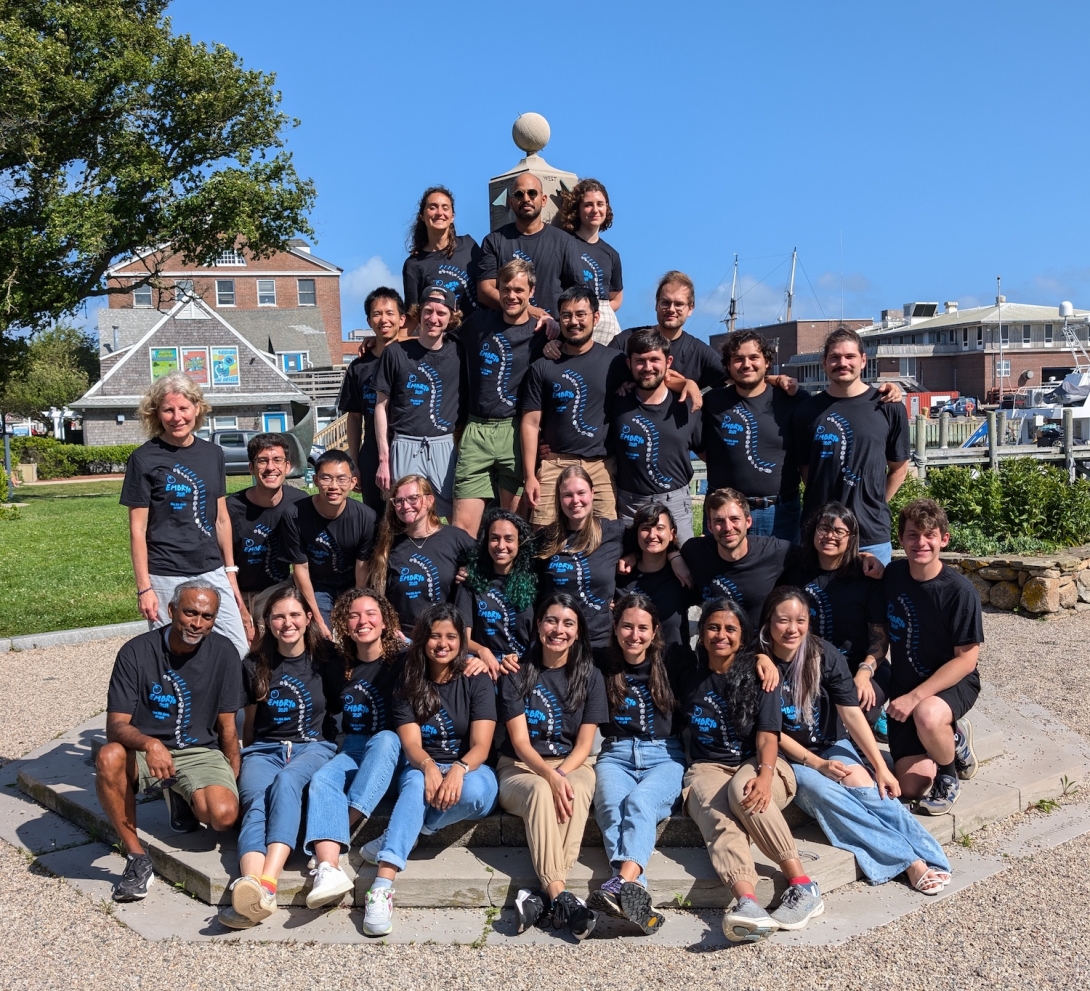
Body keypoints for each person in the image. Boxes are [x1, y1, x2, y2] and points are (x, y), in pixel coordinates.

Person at [756, 587, 952, 895]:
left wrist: (879, 767)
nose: (792, 629)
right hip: (789, 756)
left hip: (830, 743)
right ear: (768, 622)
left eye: (800, 620)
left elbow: (851, 714)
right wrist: (817, 764)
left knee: (866, 786)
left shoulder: (823, 654)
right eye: (783, 621)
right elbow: (770, 731)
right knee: (825, 792)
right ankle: (910, 861)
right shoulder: (760, 663)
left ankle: (932, 855)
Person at [681, 598, 822, 943]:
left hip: (759, 761)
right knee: (719, 817)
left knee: (744, 792)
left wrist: (764, 774)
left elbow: (768, 736)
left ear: (742, 637)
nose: (721, 635)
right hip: (706, 767)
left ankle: (803, 886)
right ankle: (748, 903)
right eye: (713, 627)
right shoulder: (687, 670)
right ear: (701, 632)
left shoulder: (762, 674)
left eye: (730, 629)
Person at [96, 580, 242, 902]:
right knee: (108, 756)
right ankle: (137, 858)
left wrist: (235, 783)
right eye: (190, 612)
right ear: (172, 610)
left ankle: (181, 797)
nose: (197, 623)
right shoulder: (136, 652)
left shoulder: (224, 652)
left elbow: (228, 728)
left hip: (199, 749)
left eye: (207, 616)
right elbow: (115, 727)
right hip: (146, 750)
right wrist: (150, 744)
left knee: (223, 816)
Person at [357, 604, 498, 937]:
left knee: (479, 793)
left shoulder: (474, 679)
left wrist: (459, 769)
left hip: (470, 767)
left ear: (461, 642)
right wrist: (429, 766)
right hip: (423, 762)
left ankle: (402, 834)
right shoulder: (409, 680)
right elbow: (411, 744)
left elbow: (480, 745)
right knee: (416, 785)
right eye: (435, 636)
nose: (443, 644)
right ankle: (382, 886)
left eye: (451, 636)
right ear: (422, 640)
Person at [703, 331, 903, 543]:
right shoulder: (712, 402)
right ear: (728, 365)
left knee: (785, 574)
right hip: (725, 514)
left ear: (767, 361)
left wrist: (874, 504)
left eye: (754, 357)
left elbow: (898, 467)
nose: (746, 364)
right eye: (738, 359)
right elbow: (698, 445)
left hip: (780, 513)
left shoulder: (796, 400)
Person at [218, 587, 340, 929]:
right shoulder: (254, 664)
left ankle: (267, 884)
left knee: (286, 782)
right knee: (255, 799)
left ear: (308, 618)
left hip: (313, 746)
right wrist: (244, 761)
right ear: (268, 623)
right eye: (279, 616)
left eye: (294, 615)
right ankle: (251, 886)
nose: (287, 623)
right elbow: (251, 724)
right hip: (264, 749)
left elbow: (337, 707)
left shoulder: (326, 659)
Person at [497, 593, 608, 939]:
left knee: (575, 786)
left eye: (568, 623)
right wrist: (550, 776)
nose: (558, 629)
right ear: (539, 625)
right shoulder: (517, 672)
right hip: (520, 767)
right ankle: (561, 894)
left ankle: (546, 898)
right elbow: (519, 743)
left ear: (578, 632)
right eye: (551, 620)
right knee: (543, 791)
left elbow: (585, 745)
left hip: (572, 762)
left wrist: (560, 775)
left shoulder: (590, 676)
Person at [121, 371, 249, 656]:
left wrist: (230, 572)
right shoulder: (143, 459)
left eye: (183, 408)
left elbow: (221, 518)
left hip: (210, 568)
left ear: (197, 409)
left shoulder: (213, 454)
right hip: (166, 571)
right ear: (156, 414)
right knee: (172, 651)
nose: (177, 417)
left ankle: (228, 702)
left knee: (237, 649)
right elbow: (137, 530)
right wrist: (145, 588)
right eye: (168, 409)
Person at [588, 594, 688, 934]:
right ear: (615, 629)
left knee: (640, 803)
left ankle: (619, 883)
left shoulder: (674, 658)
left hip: (665, 755)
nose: (635, 635)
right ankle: (635, 892)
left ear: (656, 630)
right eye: (627, 626)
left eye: (643, 628)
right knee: (612, 809)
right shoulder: (600, 661)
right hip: (615, 754)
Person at [303, 588, 405, 909]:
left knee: (386, 738)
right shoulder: (338, 665)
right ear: (344, 625)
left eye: (371, 614)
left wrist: (480, 659)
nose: (363, 621)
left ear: (385, 621)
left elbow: (444, 646)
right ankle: (328, 869)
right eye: (353, 615)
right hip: (354, 746)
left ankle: (334, 833)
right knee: (323, 779)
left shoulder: (403, 659)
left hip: (393, 749)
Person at [885, 499, 982, 814]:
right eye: (912, 535)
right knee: (911, 786)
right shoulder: (893, 575)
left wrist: (914, 697)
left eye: (929, 535)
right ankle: (953, 736)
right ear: (900, 539)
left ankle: (948, 775)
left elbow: (967, 660)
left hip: (953, 684)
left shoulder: (959, 591)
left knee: (927, 714)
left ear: (944, 539)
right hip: (908, 686)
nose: (920, 543)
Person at [792, 326, 910, 564]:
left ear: (863, 360)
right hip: (820, 533)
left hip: (871, 534)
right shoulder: (807, 411)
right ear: (824, 363)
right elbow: (807, 471)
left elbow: (899, 469)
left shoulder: (888, 405)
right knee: (818, 601)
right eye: (834, 357)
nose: (842, 363)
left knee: (873, 600)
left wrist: (874, 502)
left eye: (849, 357)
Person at [450, 259, 547, 537]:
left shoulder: (541, 333)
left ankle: (512, 581)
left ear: (531, 291)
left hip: (516, 433)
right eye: (506, 289)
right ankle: (468, 579)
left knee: (514, 528)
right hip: (477, 428)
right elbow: (436, 337)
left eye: (519, 289)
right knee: (463, 528)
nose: (511, 296)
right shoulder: (478, 323)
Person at [520, 285, 631, 524]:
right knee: (542, 535)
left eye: (581, 314)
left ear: (596, 317)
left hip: (601, 466)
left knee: (608, 535)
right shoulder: (543, 366)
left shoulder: (617, 363)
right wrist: (530, 475)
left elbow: (652, 379)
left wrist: (688, 385)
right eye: (567, 315)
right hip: (554, 464)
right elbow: (530, 423)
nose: (574, 322)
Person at [780, 502, 890, 728]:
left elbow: (879, 639)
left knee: (860, 710)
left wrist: (864, 673)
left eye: (839, 531)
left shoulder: (866, 576)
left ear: (851, 537)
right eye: (823, 528)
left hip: (857, 665)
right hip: (808, 666)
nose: (830, 536)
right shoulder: (794, 570)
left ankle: (874, 720)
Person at [374, 286, 466, 517]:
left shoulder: (459, 351)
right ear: (419, 313)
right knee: (406, 514)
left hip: (443, 445)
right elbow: (380, 407)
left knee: (447, 513)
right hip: (405, 444)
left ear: (451, 317)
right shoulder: (395, 353)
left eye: (441, 313)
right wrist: (384, 459)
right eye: (428, 311)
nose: (433, 319)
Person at [611, 328, 703, 544]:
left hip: (676, 504)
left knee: (684, 567)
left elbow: (706, 450)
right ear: (629, 364)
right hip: (630, 505)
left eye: (654, 360)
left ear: (668, 361)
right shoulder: (616, 403)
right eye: (640, 361)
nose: (648, 367)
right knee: (629, 568)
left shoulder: (688, 404)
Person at [280, 449, 377, 638]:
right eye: (326, 478)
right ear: (315, 480)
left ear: (353, 482)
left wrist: (356, 607)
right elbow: (300, 568)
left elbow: (362, 568)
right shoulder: (294, 515)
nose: (333, 486)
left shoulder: (366, 517)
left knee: (356, 631)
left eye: (341, 479)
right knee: (321, 635)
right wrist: (316, 618)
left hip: (352, 583)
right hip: (317, 585)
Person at [534, 466, 627, 653]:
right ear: (559, 499)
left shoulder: (614, 532)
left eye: (581, 493)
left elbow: (651, 544)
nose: (575, 501)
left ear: (592, 493)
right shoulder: (544, 539)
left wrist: (673, 556)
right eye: (567, 495)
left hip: (600, 640)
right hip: (557, 639)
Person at [369, 474, 476, 636]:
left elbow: (491, 562)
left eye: (413, 498)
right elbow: (378, 596)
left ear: (429, 500)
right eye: (399, 501)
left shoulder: (455, 538)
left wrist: (472, 569)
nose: (405, 506)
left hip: (445, 638)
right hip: (404, 638)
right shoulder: (388, 545)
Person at [226, 433, 307, 643]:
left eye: (277, 460)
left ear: (287, 466)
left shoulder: (300, 504)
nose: (271, 467)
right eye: (263, 461)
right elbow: (223, 565)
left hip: (276, 588)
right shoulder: (231, 508)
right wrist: (241, 611)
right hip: (236, 590)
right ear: (251, 467)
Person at [680, 487, 794, 631]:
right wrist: (674, 557)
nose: (727, 527)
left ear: (748, 521)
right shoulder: (695, 551)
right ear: (709, 526)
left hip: (759, 647)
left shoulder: (774, 551)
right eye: (719, 521)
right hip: (717, 644)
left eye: (735, 519)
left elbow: (814, 558)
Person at [478, 172, 584, 321]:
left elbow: (577, 291)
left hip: (551, 333)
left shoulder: (564, 241)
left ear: (544, 199)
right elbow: (485, 291)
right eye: (519, 194)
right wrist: (529, 310)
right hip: (506, 333)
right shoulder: (494, 241)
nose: (526, 199)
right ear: (510, 202)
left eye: (532, 193)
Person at [339, 287, 407, 513]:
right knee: (376, 520)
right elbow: (354, 417)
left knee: (410, 517)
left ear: (402, 318)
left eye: (390, 313)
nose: (384, 319)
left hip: (408, 449)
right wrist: (355, 463)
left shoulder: (414, 357)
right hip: (371, 455)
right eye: (377, 314)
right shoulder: (359, 366)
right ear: (369, 320)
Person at [609, 271, 726, 389]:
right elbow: (599, 376)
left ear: (690, 309)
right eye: (665, 303)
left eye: (679, 304)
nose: (671, 309)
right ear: (656, 304)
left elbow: (734, 380)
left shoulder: (700, 353)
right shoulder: (625, 341)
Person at [459, 508, 538, 677]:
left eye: (509, 539)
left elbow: (539, 636)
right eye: (494, 538)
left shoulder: (534, 581)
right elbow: (462, 637)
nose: (501, 546)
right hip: (483, 667)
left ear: (520, 542)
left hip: (523, 664)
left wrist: (519, 659)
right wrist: (482, 650)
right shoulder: (470, 582)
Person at [614, 503, 694, 664]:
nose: (652, 535)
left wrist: (675, 556)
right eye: (645, 528)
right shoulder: (621, 574)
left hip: (674, 668)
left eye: (659, 528)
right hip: (629, 670)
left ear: (672, 534)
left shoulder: (683, 574)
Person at [402, 185, 481, 323]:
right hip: (443, 341)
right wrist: (379, 341)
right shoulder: (414, 265)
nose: (439, 213)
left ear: (452, 217)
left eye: (445, 208)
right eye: (433, 207)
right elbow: (412, 318)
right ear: (422, 215)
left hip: (479, 333)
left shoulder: (469, 245)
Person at [557, 178, 623, 345]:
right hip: (573, 321)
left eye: (600, 204)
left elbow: (616, 298)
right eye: (588, 204)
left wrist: (596, 313)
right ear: (577, 209)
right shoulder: (564, 244)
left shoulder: (611, 254)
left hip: (605, 321)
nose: (595, 210)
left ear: (607, 208)